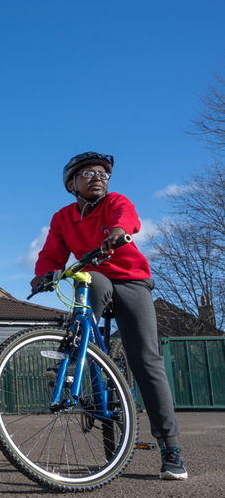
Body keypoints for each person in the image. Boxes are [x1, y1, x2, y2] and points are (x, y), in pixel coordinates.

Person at [32, 151, 187, 480]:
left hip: (132, 280)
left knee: (146, 358)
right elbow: (51, 255)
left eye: (103, 173)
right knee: (90, 282)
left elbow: (126, 217)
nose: (98, 177)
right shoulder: (63, 218)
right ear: (72, 184)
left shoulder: (115, 201)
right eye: (88, 173)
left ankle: (170, 447)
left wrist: (117, 232)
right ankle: (74, 359)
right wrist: (42, 274)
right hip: (96, 276)